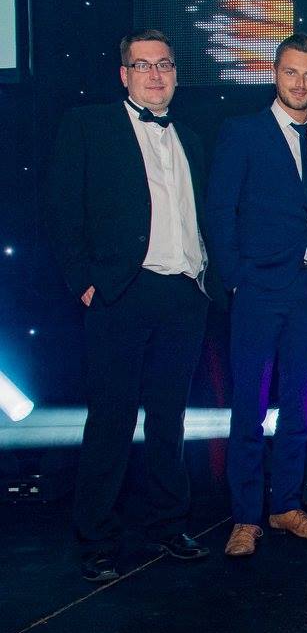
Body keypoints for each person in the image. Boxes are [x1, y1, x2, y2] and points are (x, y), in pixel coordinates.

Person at [43, 29, 216, 581]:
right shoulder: (89, 126)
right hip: (122, 291)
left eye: (164, 64)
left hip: (183, 294)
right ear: (124, 75)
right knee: (112, 419)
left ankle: (169, 524)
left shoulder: (191, 136)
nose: (156, 75)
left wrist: (205, 279)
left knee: (169, 419)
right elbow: (62, 209)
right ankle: (96, 538)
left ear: (176, 73)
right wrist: (83, 281)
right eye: (143, 65)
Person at [205, 33, 307, 557]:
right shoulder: (243, 132)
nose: (299, 83)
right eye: (290, 72)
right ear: (274, 74)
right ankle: (245, 517)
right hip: (257, 289)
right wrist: (236, 277)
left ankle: (286, 505)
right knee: (249, 407)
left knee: (301, 406)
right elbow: (219, 210)